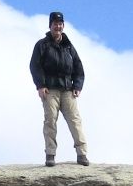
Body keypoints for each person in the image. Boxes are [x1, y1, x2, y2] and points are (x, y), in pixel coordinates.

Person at [29, 11, 89, 167]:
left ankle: (82, 154)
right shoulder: (42, 45)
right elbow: (35, 66)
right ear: (50, 26)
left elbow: (78, 67)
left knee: (75, 121)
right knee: (50, 121)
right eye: (55, 24)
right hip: (50, 90)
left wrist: (77, 85)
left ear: (63, 26)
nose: (58, 26)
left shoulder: (69, 46)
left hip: (68, 90)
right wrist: (40, 85)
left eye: (60, 24)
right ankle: (50, 154)